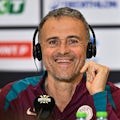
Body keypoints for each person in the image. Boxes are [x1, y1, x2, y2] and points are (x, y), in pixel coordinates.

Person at [0, 7, 120, 120]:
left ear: (89, 49)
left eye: (73, 41)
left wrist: (99, 98)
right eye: (53, 42)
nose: (63, 51)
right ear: (39, 50)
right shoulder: (14, 96)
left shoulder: (114, 97)